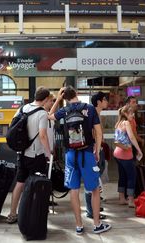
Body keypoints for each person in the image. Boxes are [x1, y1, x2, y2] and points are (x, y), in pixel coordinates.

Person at [49, 86, 111, 235]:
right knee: (94, 189)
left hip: (71, 155)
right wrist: (96, 149)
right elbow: (98, 132)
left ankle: (78, 226)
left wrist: (57, 99)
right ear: (76, 93)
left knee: (74, 190)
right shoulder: (89, 108)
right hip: (87, 154)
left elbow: (49, 115)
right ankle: (97, 224)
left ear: (65, 97)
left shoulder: (65, 111)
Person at [6, 86, 52, 224]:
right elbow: (43, 135)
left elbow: (11, 126)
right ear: (45, 99)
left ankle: (12, 213)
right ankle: (31, 214)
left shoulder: (22, 108)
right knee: (36, 184)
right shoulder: (42, 113)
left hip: (22, 153)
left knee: (20, 183)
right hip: (36, 154)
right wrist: (48, 153)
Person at [84, 91, 108, 219]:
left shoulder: (96, 113)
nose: (106, 101)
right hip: (94, 150)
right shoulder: (94, 114)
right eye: (104, 99)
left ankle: (94, 207)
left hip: (95, 150)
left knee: (94, 179)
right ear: (98, 101)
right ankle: (91, 211)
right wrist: (96, 149)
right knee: (92, 180)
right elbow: (93, 133)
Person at [113, 106, 143, 207]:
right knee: (131, 176)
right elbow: (131, 137)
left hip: (117, 154)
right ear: (125, 114)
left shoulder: (118, 123)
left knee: (122, 176)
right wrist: (139, 150)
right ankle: (130, 200)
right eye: (131, 113)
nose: (133, 115)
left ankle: (122, 198)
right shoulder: (126, 123)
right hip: (125, 154)